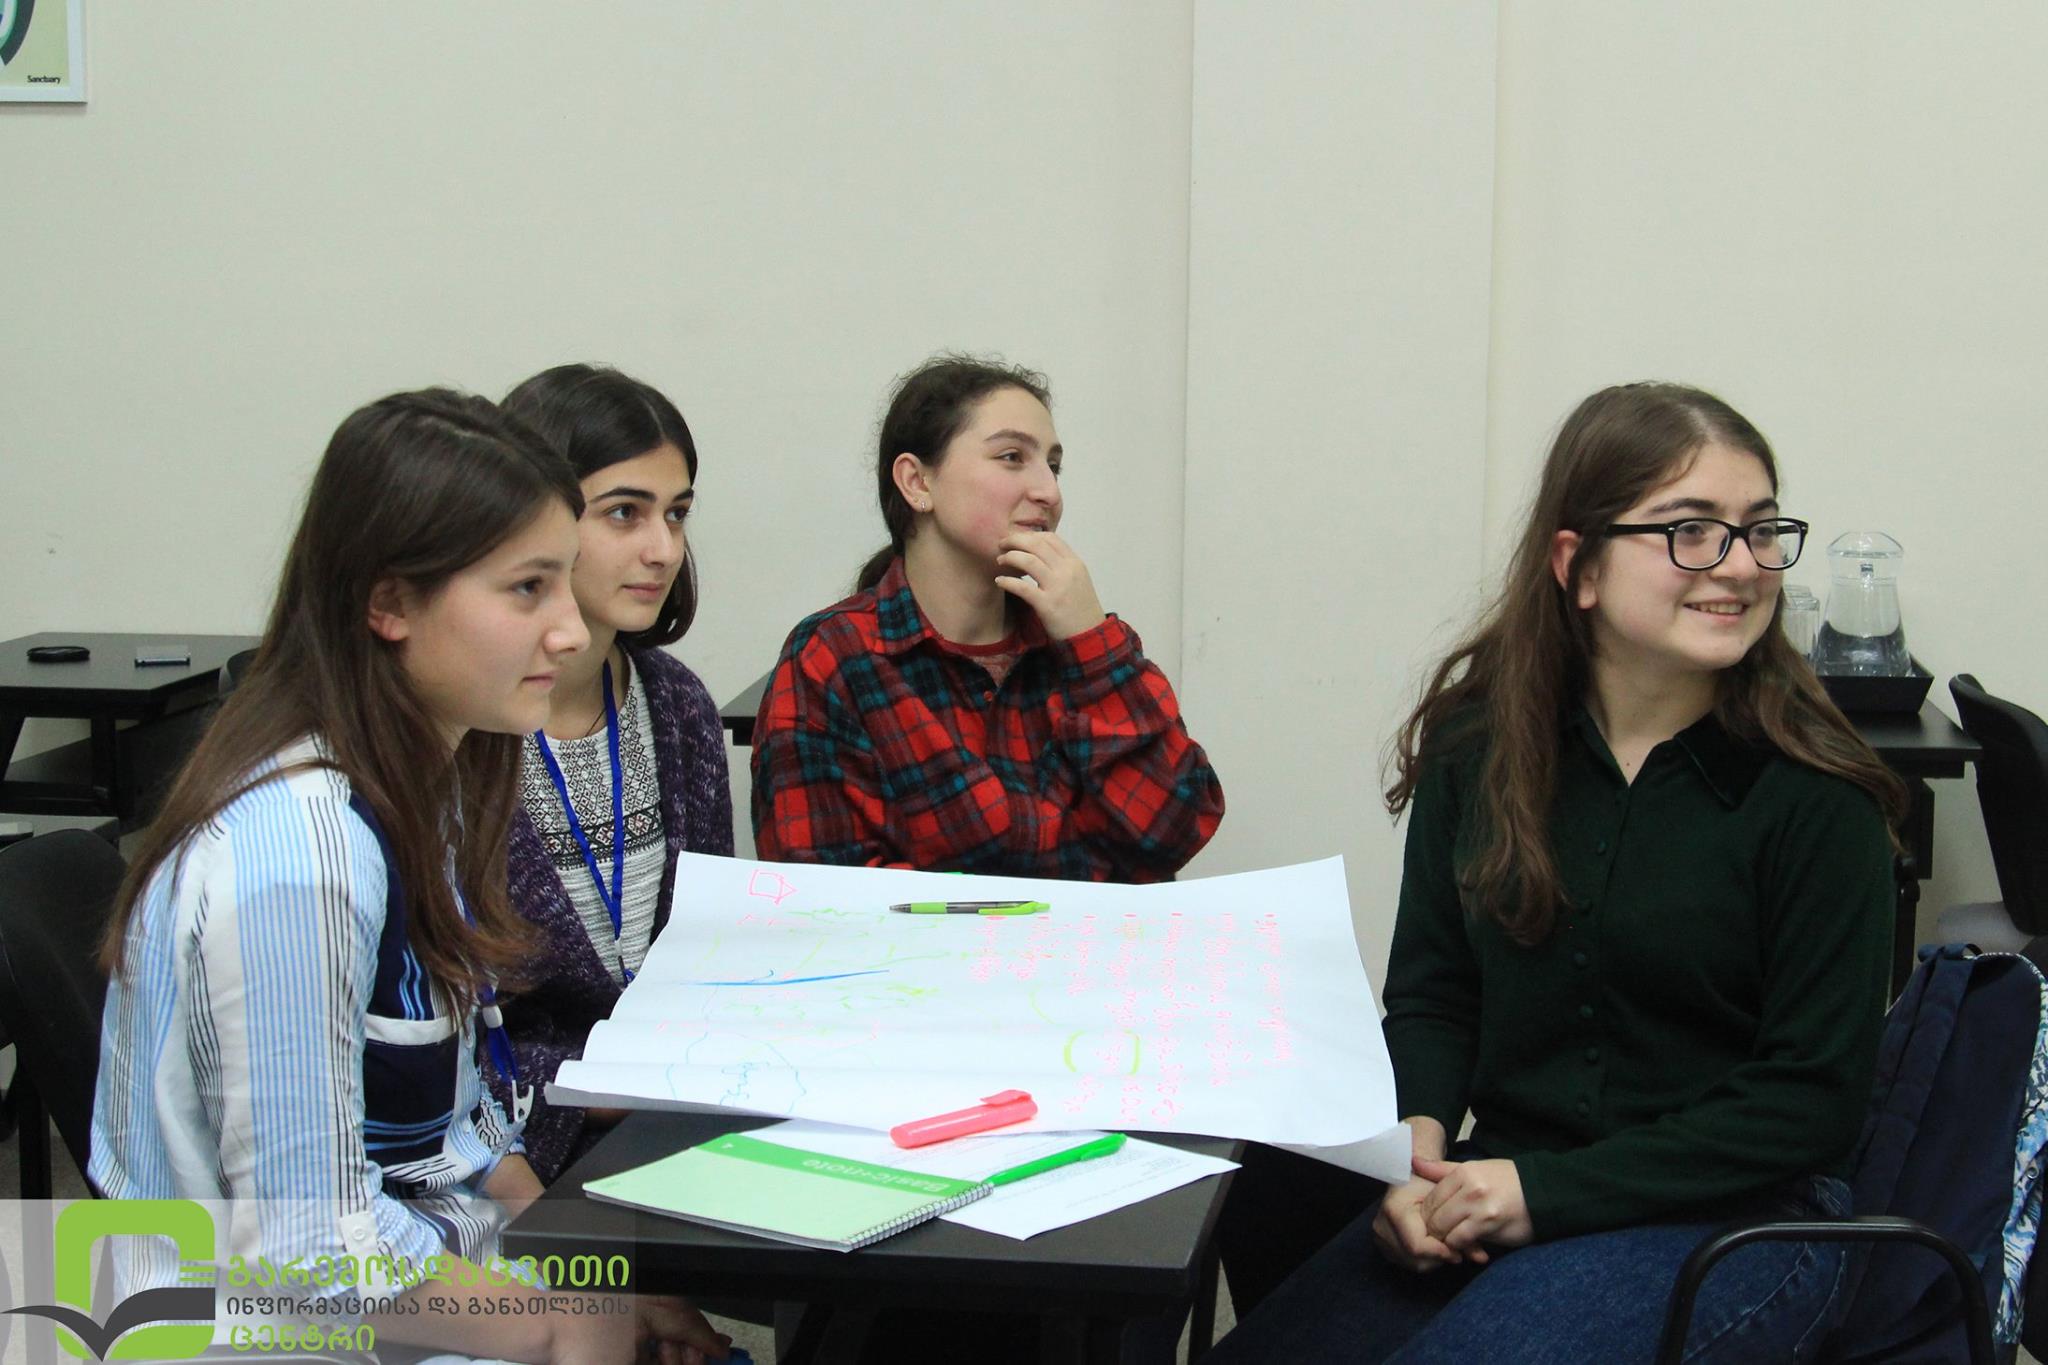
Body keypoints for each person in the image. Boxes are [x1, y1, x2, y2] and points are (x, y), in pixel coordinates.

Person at [1203, 382, 1906, 1363]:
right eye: (1690, 531)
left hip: (1742, 1221)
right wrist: (1414, 1150)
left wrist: (1538, 1193)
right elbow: (1436, 994)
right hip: (1504, 1182)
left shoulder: (1819, 795)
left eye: (1758, 530)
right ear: (1576, 565)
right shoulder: (1477, 747)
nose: (1741, 566)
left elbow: (1808, 1104)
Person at [91, 389, 730, 1364]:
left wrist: (593, 1272)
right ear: (387, 604)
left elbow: (465, 1141)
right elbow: (311, 1254)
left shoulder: (426, 781)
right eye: (529, 589)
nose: (569, 631)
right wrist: (570, 1315)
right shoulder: (299, 862)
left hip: (419, 1266)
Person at [751, 353, 1223, 879]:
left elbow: (1175, 832)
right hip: (935, 945)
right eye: (1012, 457)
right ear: (917, 483)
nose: (1049, 492)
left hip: (1089, 940)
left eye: (1053, 466)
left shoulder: (1090, 647)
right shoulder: (834, 657)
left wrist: (1093, 646)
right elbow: (823, 890)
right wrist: (1086, 872)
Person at [496, 363, 733, 1183]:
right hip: (513, 1150)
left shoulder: (676, 705)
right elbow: (437, 1050)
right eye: (624, 512)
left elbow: (710, 958)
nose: (662, 548)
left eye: (677, 513)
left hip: (671, 1118)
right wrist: (594, 1087)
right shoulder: (466, 730)